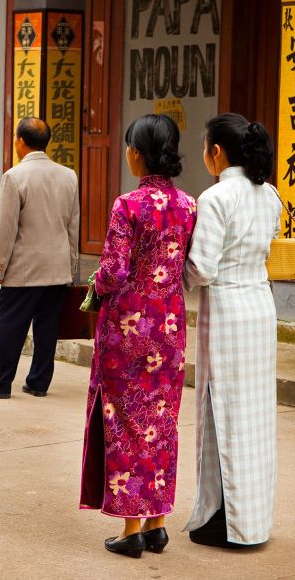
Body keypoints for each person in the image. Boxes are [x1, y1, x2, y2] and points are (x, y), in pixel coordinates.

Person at [79, 114, 196, 558]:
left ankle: (130, 530)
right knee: (161, 421)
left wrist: (94, 287)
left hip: (128, 328)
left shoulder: (127, 205)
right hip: (169, 327)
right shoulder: (188, 205)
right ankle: (158, 522)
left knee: (126, 422)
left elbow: (113, 271)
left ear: (136, 153)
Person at [182, 113, 281, 549]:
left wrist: (169, 273)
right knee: (254, 418)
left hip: (226, 312)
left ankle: (224, 521)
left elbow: (202, 269)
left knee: (222, 414)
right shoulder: (271, 195)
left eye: (205, 147)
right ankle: (251, 520)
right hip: (260, 308)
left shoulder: (216, 197)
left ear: (216, 152)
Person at [0, 117, 79, 399]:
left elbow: (7, 229)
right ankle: (39, 382)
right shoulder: (69, 176)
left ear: (19, 141)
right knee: (47, 328)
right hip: (58, 267)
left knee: (9, 326)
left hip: (25, 269)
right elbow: (73, 226)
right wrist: (72, 265)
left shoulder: (14, 177)